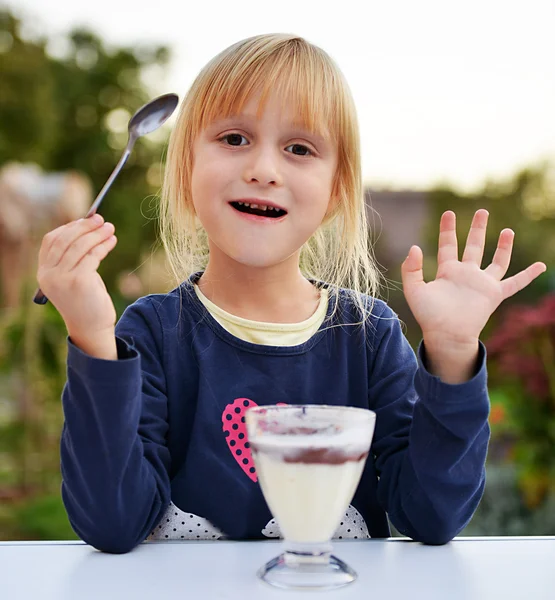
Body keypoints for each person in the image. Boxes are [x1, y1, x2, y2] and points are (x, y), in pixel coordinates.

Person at [36, 34, 547, 554]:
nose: (264, 169)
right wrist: (94, 337)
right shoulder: (150, 333)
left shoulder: (368, 337)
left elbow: (433, 516)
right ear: (185, 167)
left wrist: (455, 353)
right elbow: (111, 523)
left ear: (336, 192)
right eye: (234, 138)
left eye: (299, 149)